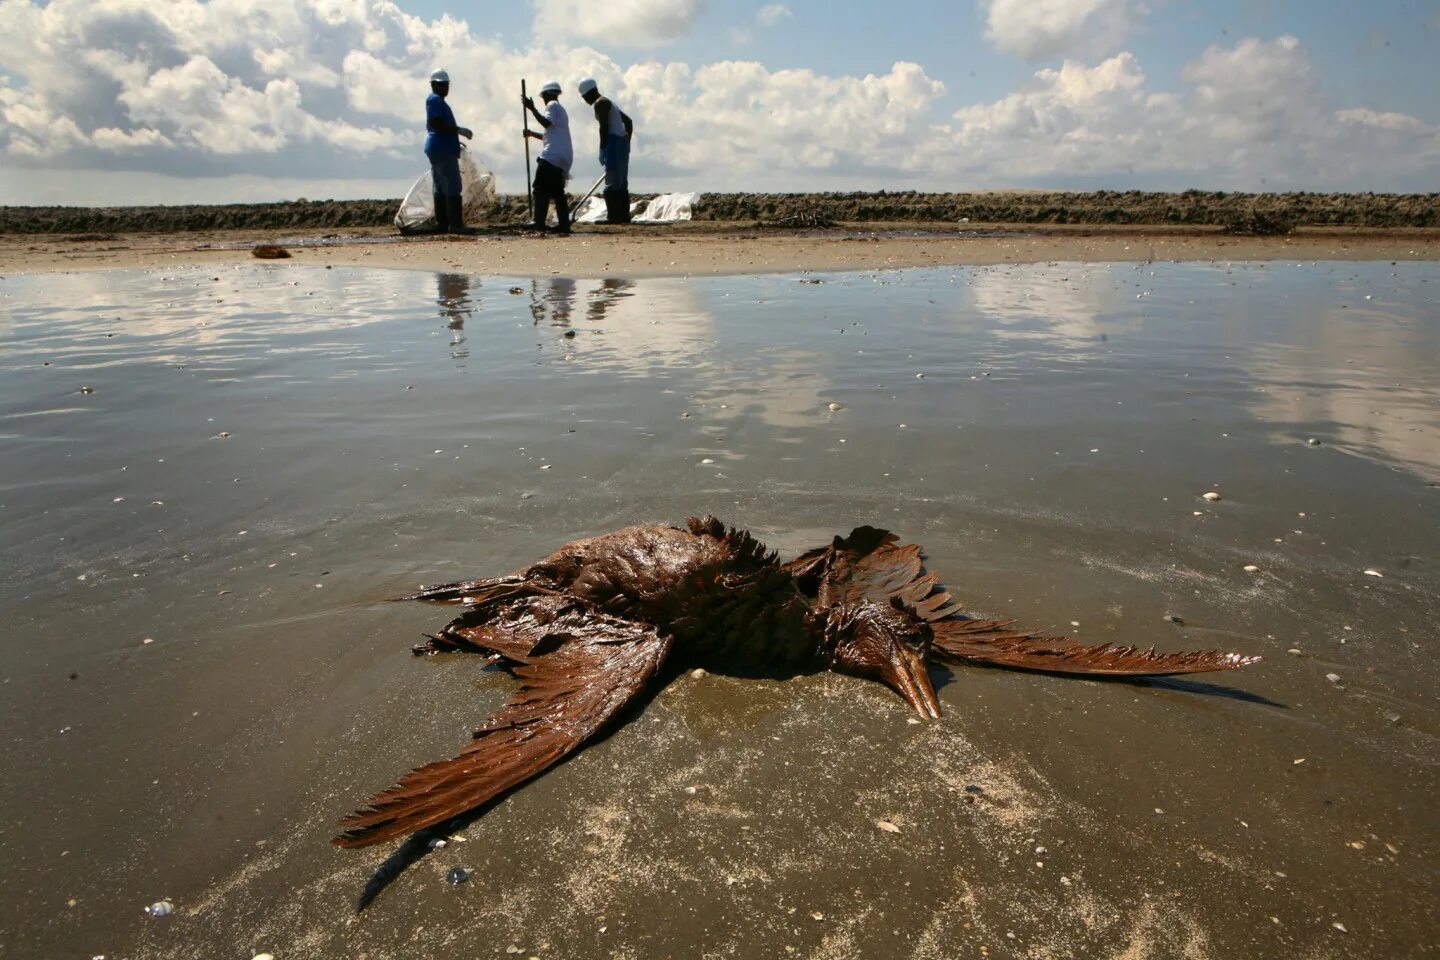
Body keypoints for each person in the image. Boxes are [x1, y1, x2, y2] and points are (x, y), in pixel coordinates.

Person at [424, 68, 476, 235]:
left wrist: (454, 138)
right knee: (453, 184)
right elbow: (437, 122)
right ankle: (455, 224)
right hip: (442, 148)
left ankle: (442, 224)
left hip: (439, 147)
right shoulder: (434, 100)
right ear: (433, 85)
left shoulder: (438, 101)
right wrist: (458, 130)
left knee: (440, 186)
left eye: (446, 85)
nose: (445, 88)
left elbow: (439, 125)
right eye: (441, 85)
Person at [577, 78, 633, 224]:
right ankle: (624, 217)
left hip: (613, 142)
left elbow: (604, 128)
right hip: (620, 142)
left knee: (611, 184)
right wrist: (626, 144)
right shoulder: (608, 102)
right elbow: (628, 122)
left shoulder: (600, 103)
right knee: (621, 183)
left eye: (584, 97)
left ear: (589, 94)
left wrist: (603, 149)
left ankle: (613, 217)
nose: (585, 101)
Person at [522, 81, 573, 234]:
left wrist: (531, 108)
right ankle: (564, 224)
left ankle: (538, 223)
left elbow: (546, 123)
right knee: (558, 192)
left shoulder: (552, 105)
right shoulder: (561, 110)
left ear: (546, 95)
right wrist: (531, 134)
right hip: (564, 158)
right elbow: (549, 135)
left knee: (539, 189)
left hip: (552, 156)